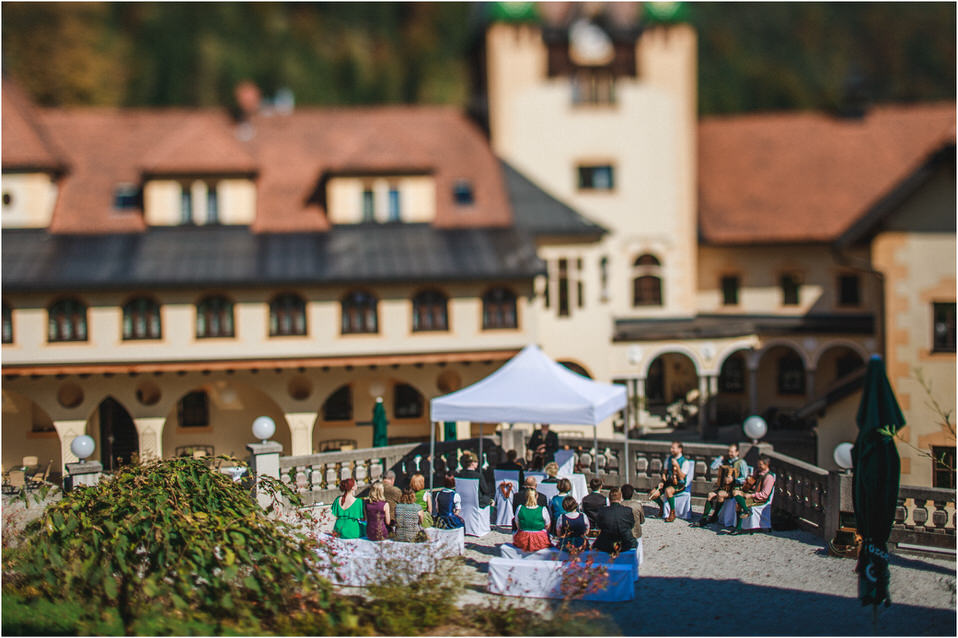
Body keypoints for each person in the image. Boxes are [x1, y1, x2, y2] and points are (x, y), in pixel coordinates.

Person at [730, 454, 775, 535]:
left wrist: (751, 495)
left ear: (766, 464)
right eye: (758, 464)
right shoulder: (758, 472)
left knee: (738, 503)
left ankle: (738, 527)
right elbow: (754, 485)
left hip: (759, 499)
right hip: (752, 494)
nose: (759, 466)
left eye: (760, 465)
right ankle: (746, 512)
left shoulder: (769, 477)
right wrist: (748, 482)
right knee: (735, 492)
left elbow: (765, 494)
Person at [648, 441, 687, 523]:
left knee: (668, 491)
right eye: (671, 448)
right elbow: (664, 473)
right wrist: (662, 481)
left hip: (679, 484)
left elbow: (682, 477)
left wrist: (677, 466)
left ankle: (672, 512)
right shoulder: (668, 459)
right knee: (653, 493)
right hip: (669, 482)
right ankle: (662, 507)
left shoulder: (685, 462)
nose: (671, 449)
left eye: (673, 448)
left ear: (680, 449)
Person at [592, 487, 637, 554]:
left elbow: (598, 525)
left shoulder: (602, 511)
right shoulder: (627, 511)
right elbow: (631, 525)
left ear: (609, 499)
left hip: (606, 542)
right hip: (625, 541)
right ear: (620, 498)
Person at [692, 462, 737, 528]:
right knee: (710, 495)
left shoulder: (740, 463)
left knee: (720, 494)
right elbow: (713, 466)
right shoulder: (725, 460)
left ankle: (715, 515)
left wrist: (732, 479)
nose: (730, 454)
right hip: (723, 487)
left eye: (732, 452)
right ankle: (704, 517)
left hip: (732, 489)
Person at [513, 484, 552, 552]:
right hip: (539, 539)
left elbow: (517, 524)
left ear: (526, 497)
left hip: (523, 538)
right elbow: (548, 525)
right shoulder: (543, 509)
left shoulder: (519, 508)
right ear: (537, 497)